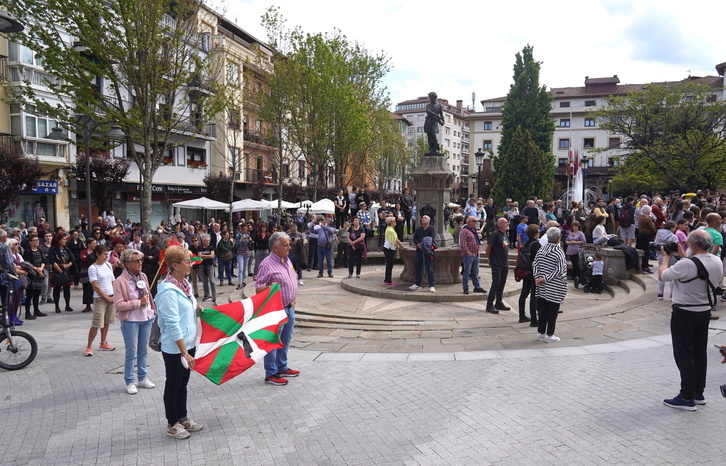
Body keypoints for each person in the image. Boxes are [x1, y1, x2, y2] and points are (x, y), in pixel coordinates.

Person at [660, 230, 723, 410]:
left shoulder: (687, 264)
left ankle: (686, 397)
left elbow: (662, 276)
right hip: (704, 311)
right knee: (698, 352)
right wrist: (682, 254)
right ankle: (697, 393)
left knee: (684, 354)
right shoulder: (717, 260)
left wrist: (666, 257)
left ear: (694, 244)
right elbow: (696, 267)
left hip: (685, 312)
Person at [155, 245, 204, 438]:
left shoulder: (184, 285)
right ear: (174, 265)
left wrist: (196, 307)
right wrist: (185, 352)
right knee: (174, 383)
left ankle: (182, 417)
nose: (190, 264)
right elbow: (173, 324)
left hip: (188, 343)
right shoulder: (168, 291)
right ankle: (172, 423)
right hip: (175, 347)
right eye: (187, 261)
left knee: (183, 383)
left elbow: (187, 308)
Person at [256, 231, 300, 386]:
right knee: (273, 342)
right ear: (275, 248)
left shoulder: (286, 260)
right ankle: (271, 373)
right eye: (285, 245)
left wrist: (292, 298)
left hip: (289, 307)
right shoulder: (266, 264)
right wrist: (269, 287)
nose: (289, 247)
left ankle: (282, 366)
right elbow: (258, 289)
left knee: (285, 340)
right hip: (275, 310)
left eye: (289, 244)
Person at [113, 248, 156, 395]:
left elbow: (148, 295)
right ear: (126, 264)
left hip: (146, 317)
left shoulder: (143, 276)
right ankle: (129, 380)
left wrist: (152, 309)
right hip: (130, 319)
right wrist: (138, 302)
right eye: (136, 261)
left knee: (143, 349)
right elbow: (118, 305)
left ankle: (142, 377)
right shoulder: (120, 281)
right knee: (132, 351)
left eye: (141, 260)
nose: (140, 263)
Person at [533, 227, 568, 342]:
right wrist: (545, 279)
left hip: (542, 285)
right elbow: (560, 270)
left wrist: (538, 277)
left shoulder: (541, 249)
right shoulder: (559, 252)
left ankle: (541, 332)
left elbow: (535, 264)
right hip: (555, 286)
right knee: (553, 310)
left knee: (543, 309)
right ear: (558, 239)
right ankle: (550, 333)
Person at [85, 245, 116, 356]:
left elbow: (113, 280)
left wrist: (114, 294)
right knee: (97, 323)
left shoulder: (108, 265)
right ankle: (89, 346)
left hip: (111, 296)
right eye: (104, 254)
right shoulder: (93, 268)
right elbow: (95, 286)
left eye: (107, 254)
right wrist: (106, 297)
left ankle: (103, 342)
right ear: (97, 254)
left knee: (107, 321)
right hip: (100, 298)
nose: (106, 257)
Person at [486, 218, 511, 314]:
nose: (507, 223)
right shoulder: (495, 234)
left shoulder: (505, 234)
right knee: (496, 283)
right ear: (500, 225)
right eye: (505, 222)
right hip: (497, 262)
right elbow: (488, 247)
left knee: (502, 283)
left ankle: (499, 302)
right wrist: (489, 259)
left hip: (504, 263)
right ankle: (489, 304)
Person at [517, 225, 541, 325]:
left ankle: (522, 315)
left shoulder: (526, 243)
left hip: (525, 270)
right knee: (534, 296)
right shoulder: (536, 245)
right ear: (536, 234)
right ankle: (534, 320)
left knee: (524, 293)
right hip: (534, 271)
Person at [459, 216, 487, 295]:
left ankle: (477, 287)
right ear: (469, 222)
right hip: (468, 254)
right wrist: (468, 252)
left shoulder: (473, 230)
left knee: (475, 272)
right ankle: (465, 287)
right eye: (475, 221)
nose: (476, 222)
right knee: (467, 272)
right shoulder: (464, 231)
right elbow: (463, 243)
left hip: (476, 253)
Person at [409, 215, 436, 293]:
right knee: (418, 268)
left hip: (428, 251)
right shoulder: (418, 229)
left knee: (430, 269)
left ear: (429, 220)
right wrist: (418, 244)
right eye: (422, 218)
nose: (423, 219)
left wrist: (424, 244)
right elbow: (415, 238)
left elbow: (432, 238)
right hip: (419, 251)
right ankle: (417, 284)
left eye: (425, 218)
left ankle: (431, 285)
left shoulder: (431, 229)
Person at [22, 235, 47, 320]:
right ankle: (27, 312)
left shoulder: (40, 250)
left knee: (37, 293)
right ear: (30, 242)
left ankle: (36, 310)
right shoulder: (28, 251)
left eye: (37, 240)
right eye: (34, 240)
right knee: (30, 294)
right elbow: (27, 263)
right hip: (32, 274)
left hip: (39, 273)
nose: (37, 242)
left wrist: (41, 269)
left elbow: (44, 261)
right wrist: (37, 270)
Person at [49, 232, 75, 313]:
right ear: (58, 240)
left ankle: (67, 305)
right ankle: (57, 306)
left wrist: (68, 265)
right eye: (63, 239)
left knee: (67, 289)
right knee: (56, 289)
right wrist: (60, 270)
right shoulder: (53, 249)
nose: (65, 241)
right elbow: (52, 261)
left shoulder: (66, 249)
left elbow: (72, 259)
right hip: (57, 271)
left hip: (67, 271)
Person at [383, 216, 405, 286]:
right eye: (394, 221)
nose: (395, 222)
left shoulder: (389, 229)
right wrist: (403, 246)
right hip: (389, 248)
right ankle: (388, 280)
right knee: (390, 265)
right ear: (391, 223)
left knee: (389, 265)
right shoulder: (391, 230)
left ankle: (387, 279)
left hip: (388, 248)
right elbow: (396, 240)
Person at [566, 221, 586, 288]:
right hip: (571, 250)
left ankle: (578, 275)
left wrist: (575, 242)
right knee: (573, 263)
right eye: (574, 226)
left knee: (578, 263)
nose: (575, 227)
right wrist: (569, 242)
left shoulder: (580, 234)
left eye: (576, 226)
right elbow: (566, 240)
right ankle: (573, 275)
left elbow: (583, 241)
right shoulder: (570, 233)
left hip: (577, 250)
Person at [636, 205, 656, 273]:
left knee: (644, 249)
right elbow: (652, 228)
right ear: (648, 211)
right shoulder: (647, 219)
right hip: (647, 235)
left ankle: (644, 265)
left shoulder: (640, 218)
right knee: (646, 251)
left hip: (641, 234)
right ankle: (645, 266)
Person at [197, 235, 216, 302]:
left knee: (212, 281)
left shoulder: (211, 248)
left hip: (209, 265)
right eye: (206, 241)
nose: (208, 242)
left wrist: (204, 256)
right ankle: (206, 295)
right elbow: (199, 256)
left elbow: (212, 256)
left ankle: (214, 295)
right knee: (205, 281)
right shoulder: (200, 247)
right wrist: (206, 256)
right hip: (202, 266)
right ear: (203, 241)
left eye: (208, 240)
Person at [234, 224, 253, 290]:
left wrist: (250, 241)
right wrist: (240, 240)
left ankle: (242, 281)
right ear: (241, 229)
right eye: (244, 229)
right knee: (241, 268)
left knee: (244, 268)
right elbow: (236, 245)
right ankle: (240, 283)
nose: (245, 230)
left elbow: (250, 246)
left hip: (246, 253)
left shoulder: (248, 236)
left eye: (246, 229)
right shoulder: (238, 235)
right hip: (240, 253)